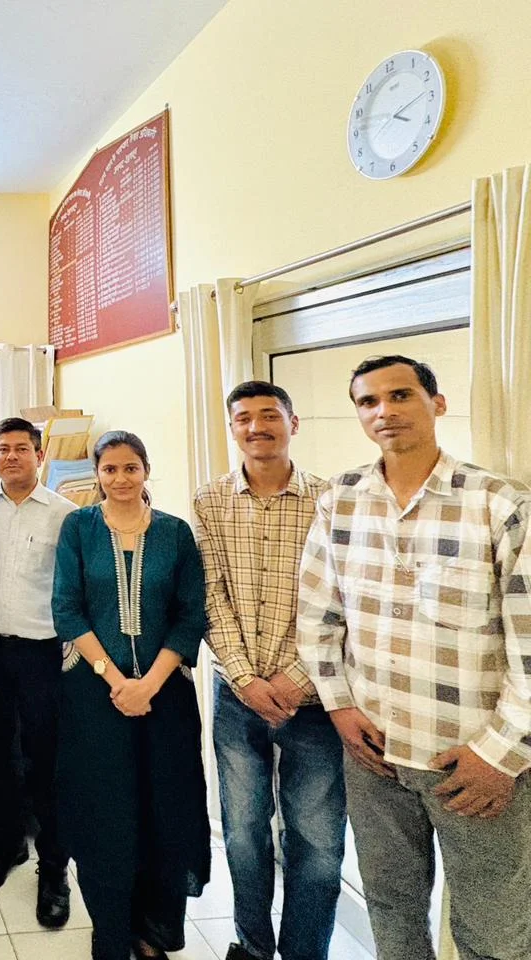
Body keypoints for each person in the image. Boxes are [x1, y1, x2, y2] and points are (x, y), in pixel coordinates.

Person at [297, 355, 531, 960]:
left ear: (437, 403)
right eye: (368, 401)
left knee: (495, 929)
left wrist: (500, 756)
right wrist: (340, 709)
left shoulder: (497, 504)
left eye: (400, 395)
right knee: (392, 910)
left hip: (471, 761)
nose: (384, 411)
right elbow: (318, 618)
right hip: (374, 755)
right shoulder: (340, 500)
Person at [193, 381, 345, 960]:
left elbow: (344, 600)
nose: (256, 427)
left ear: (292, 423)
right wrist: (245, 679)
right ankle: (252, 946)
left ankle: (305, 951)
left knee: (318, 842)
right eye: (244, 418)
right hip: (237, 694)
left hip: (315, 698)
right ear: (232, 427)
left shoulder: (331, 499)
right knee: (243, 834)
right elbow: (211, 597)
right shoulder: (211, 500)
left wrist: (295, 679)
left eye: (269, 415)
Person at [53, 430, 210, 960]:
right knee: (106, 812)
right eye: (110, 469)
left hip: (165, 697)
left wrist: (149, 683)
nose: (120, 478)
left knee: (165, 808)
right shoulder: (79, 528)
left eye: (130, 468)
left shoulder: (174, 533)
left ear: (146, 471)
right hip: (93, 696)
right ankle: (111, 931)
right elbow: (67, 609)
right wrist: (117, 680)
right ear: (97, 474)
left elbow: (190, 617)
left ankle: (154, 930)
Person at [0, 417, 75, 927]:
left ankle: (54, 866)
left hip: (41, 653)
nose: (10, 456)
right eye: (2, 449)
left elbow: (74, 588)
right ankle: (9, 840)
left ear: (40, 456)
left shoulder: (65, 515)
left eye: (20, 448)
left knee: (46, 759)